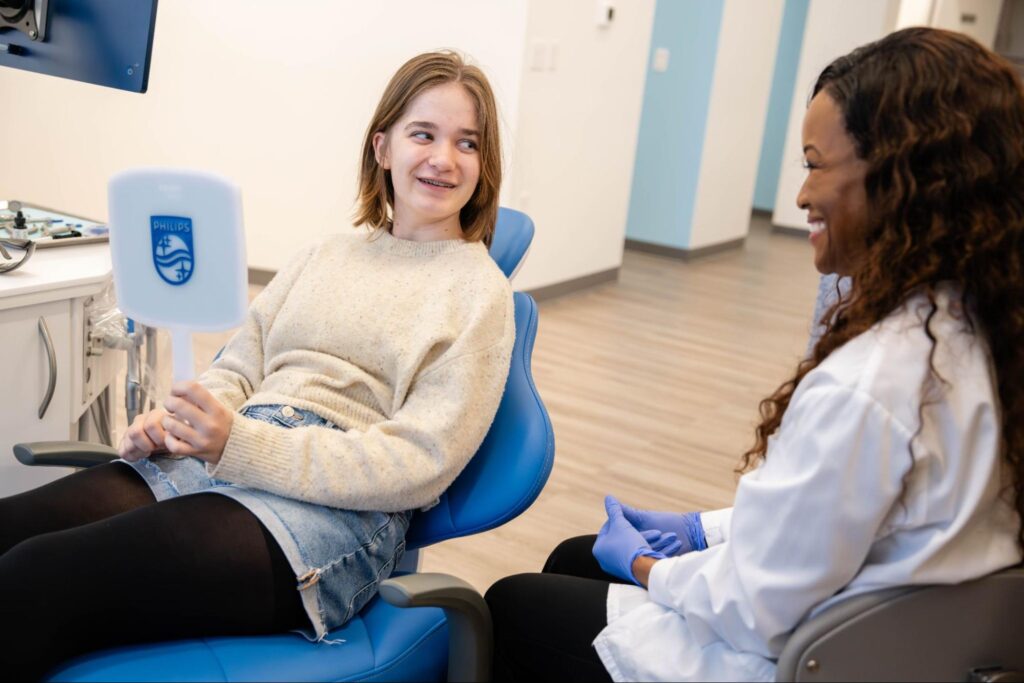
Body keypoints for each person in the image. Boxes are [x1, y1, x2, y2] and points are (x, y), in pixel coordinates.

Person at [486, 27, 1024, 682]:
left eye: (814, 163)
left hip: (799, 657)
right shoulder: (988, 334)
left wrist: (648, 566)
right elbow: (851, 518)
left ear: (898, 177)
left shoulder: (871, 383)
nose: (800, 196)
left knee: (511, 605)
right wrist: (701, 529)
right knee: (578, 555)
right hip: (915, 647)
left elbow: (751, 608)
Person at [0, 51, 514, 680]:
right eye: (423, 134)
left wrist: (240, 444)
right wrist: (181, 424)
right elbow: (239, 367)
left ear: (484, 166)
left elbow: (418, 465)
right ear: (382, 147)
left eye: (468, 143)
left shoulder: (478, 291)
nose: (443, 158)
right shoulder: (326, 252)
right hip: (229, 458)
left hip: (333, 516)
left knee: (36, 579)